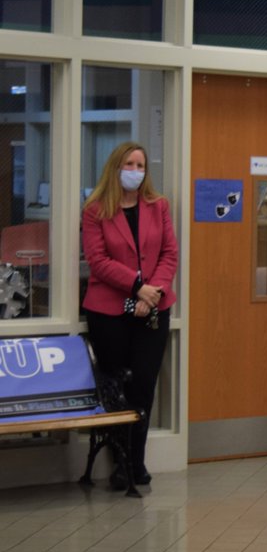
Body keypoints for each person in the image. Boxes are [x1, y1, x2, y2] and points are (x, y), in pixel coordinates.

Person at [81, 141, 178, 489]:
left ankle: (136, 463)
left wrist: (151, 295)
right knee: (116, 390)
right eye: (129, 164)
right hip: (110, 311)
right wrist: (137, 286)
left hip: (152, 309)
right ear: (115, 167)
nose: (135, 171)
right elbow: (98, 261)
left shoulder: (159, 206)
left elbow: (169, 254)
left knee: (143, 388)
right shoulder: (95, 210)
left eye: (140, 165)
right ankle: (119, 463)